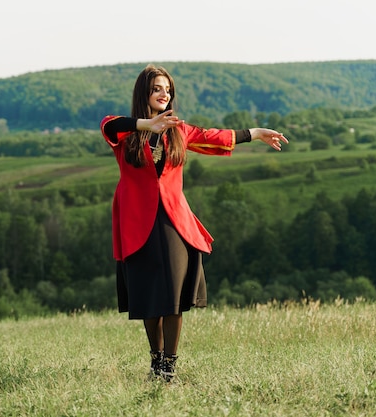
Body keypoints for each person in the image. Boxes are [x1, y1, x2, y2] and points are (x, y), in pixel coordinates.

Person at [100, 64, 288, 382]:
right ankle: (156, 361)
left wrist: (254, 134)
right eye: (157, 88)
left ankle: (169, 366)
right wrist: (148, 125)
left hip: (173, 221)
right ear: (143, 93)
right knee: (148, 298)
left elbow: (215, 138)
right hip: (137, 224)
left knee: (173, 295)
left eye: (168, 89)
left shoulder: (180, 131)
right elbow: (109, 126)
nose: (164, 94)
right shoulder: (124, 131)